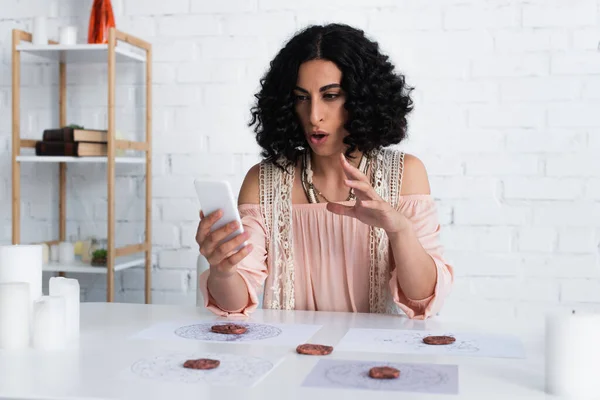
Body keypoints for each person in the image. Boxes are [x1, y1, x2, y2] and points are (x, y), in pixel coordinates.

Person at [196, 23, 454, 320]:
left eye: (330, 95)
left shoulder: (405, 174)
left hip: (373, 359)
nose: (314, 115)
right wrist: (222, 271)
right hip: (289, 356)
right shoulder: (263, 180)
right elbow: (234, 306)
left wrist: (400, 229)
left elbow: (422, 301)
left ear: (362, 98)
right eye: (301, 97)